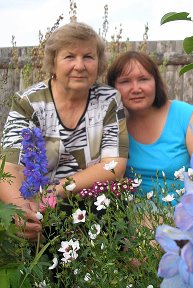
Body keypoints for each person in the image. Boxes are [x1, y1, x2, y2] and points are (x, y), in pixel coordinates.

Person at [0, 22, 128, 240]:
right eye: (70, 57)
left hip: (92, 206)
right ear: (53, 62)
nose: (80, 66)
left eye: (88, 56)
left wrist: (56, 190)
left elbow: (114, 165)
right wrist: (20, 210)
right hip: (37, 209)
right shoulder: (28, 103)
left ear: (99, 62)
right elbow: (9, 167)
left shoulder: (109, 100)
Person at [107, 51, 193, 203]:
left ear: (156, 82)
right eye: (125, 82)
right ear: (113, 88)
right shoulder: (113, 126)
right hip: (135, 219)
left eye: (143, 79)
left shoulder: (184, 115)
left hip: (187, 214)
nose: (136, 88)